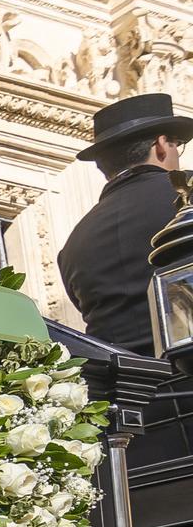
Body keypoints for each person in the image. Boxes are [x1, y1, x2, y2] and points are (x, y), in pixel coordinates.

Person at [58, 93, 192, 355]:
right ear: (162, 145)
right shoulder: (186, 192)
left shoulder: (73, 244)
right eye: (178, 144)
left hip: (126, 390)